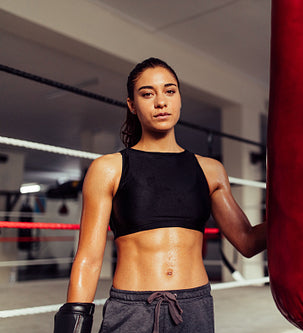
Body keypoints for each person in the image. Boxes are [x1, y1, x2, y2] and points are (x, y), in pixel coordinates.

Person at [53, 57, 267, 333]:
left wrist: (299, 214)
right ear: (132, 104)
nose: (161, 101)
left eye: (169, 91)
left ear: (179, 98)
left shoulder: (211, 170)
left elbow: (247, 241)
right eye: (147, 93)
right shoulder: (108, 168)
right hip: (132, 309)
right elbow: (89, 258)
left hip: (194, 307)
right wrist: (73, 325)